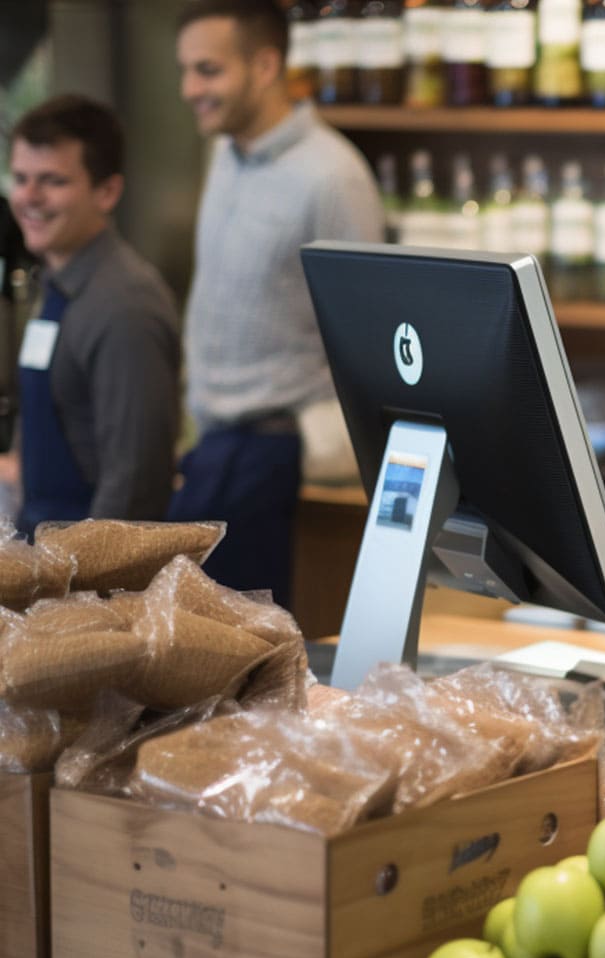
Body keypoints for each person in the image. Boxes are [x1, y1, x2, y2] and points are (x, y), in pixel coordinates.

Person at [172, 0, 382, 607]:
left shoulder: (333, 177)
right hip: (211, 445)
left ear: (265, 66)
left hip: (275, 456)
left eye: (208, 70)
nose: (190, 90)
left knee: (244, 672)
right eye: (186, 71)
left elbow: (367, 340)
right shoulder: (223, 155)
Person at [5, 94, 180, 534]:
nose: (29, 197)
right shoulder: (55, 285)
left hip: (86, 583)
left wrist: (88, 594)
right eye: (20, 178)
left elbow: (135, 486)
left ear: (108, 191)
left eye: (52, 181)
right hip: (42, 559)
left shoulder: (125, 306)